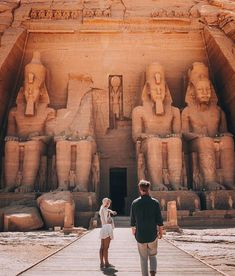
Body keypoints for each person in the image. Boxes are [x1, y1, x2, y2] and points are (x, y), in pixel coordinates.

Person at [130, 180, 164, 276]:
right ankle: (153, 273)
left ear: (140, 189)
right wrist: (160, 232)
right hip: (152, 234)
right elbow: (159, 220)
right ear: (149, 189)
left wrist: (135, 233)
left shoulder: (135, 203)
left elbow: (132, 221)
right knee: (152, 255)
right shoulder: (155, 202)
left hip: (140, 235)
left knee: (143, 258)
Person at [99, 198, 117, 268]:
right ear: (104, 203)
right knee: (106, 247)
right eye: (107, 203)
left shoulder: (102, 208)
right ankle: (106, 263)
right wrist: (110, 219)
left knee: (102, 247)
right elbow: (108, 221)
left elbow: (107, 210)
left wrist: (111, 211)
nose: (108, 204)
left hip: (103, 228)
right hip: (107, 228)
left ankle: (101, 263)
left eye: (108, 203)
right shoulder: (105, 209)